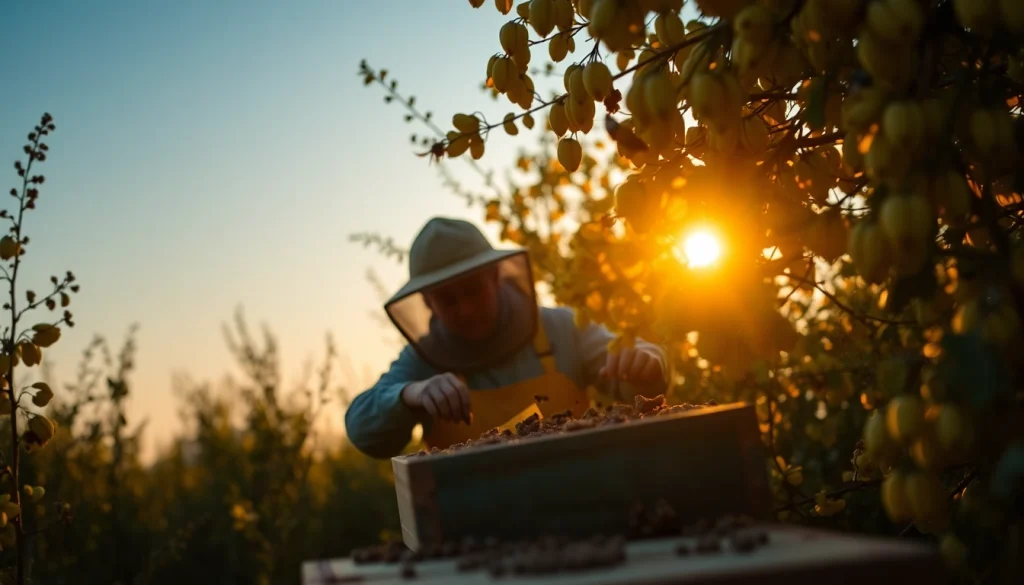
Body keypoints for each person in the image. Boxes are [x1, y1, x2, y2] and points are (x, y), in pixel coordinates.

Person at [345, 217, 667, 459]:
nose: (466, 309)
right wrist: (410, 394)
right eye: (448, 300)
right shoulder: (422, 360)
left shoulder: (561, 328)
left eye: (474, 290)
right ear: (428, 302)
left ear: (495, 276)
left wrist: (644, 361)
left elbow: (633, 362)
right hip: (475, 527)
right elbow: (363, 431)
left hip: (584, 497)